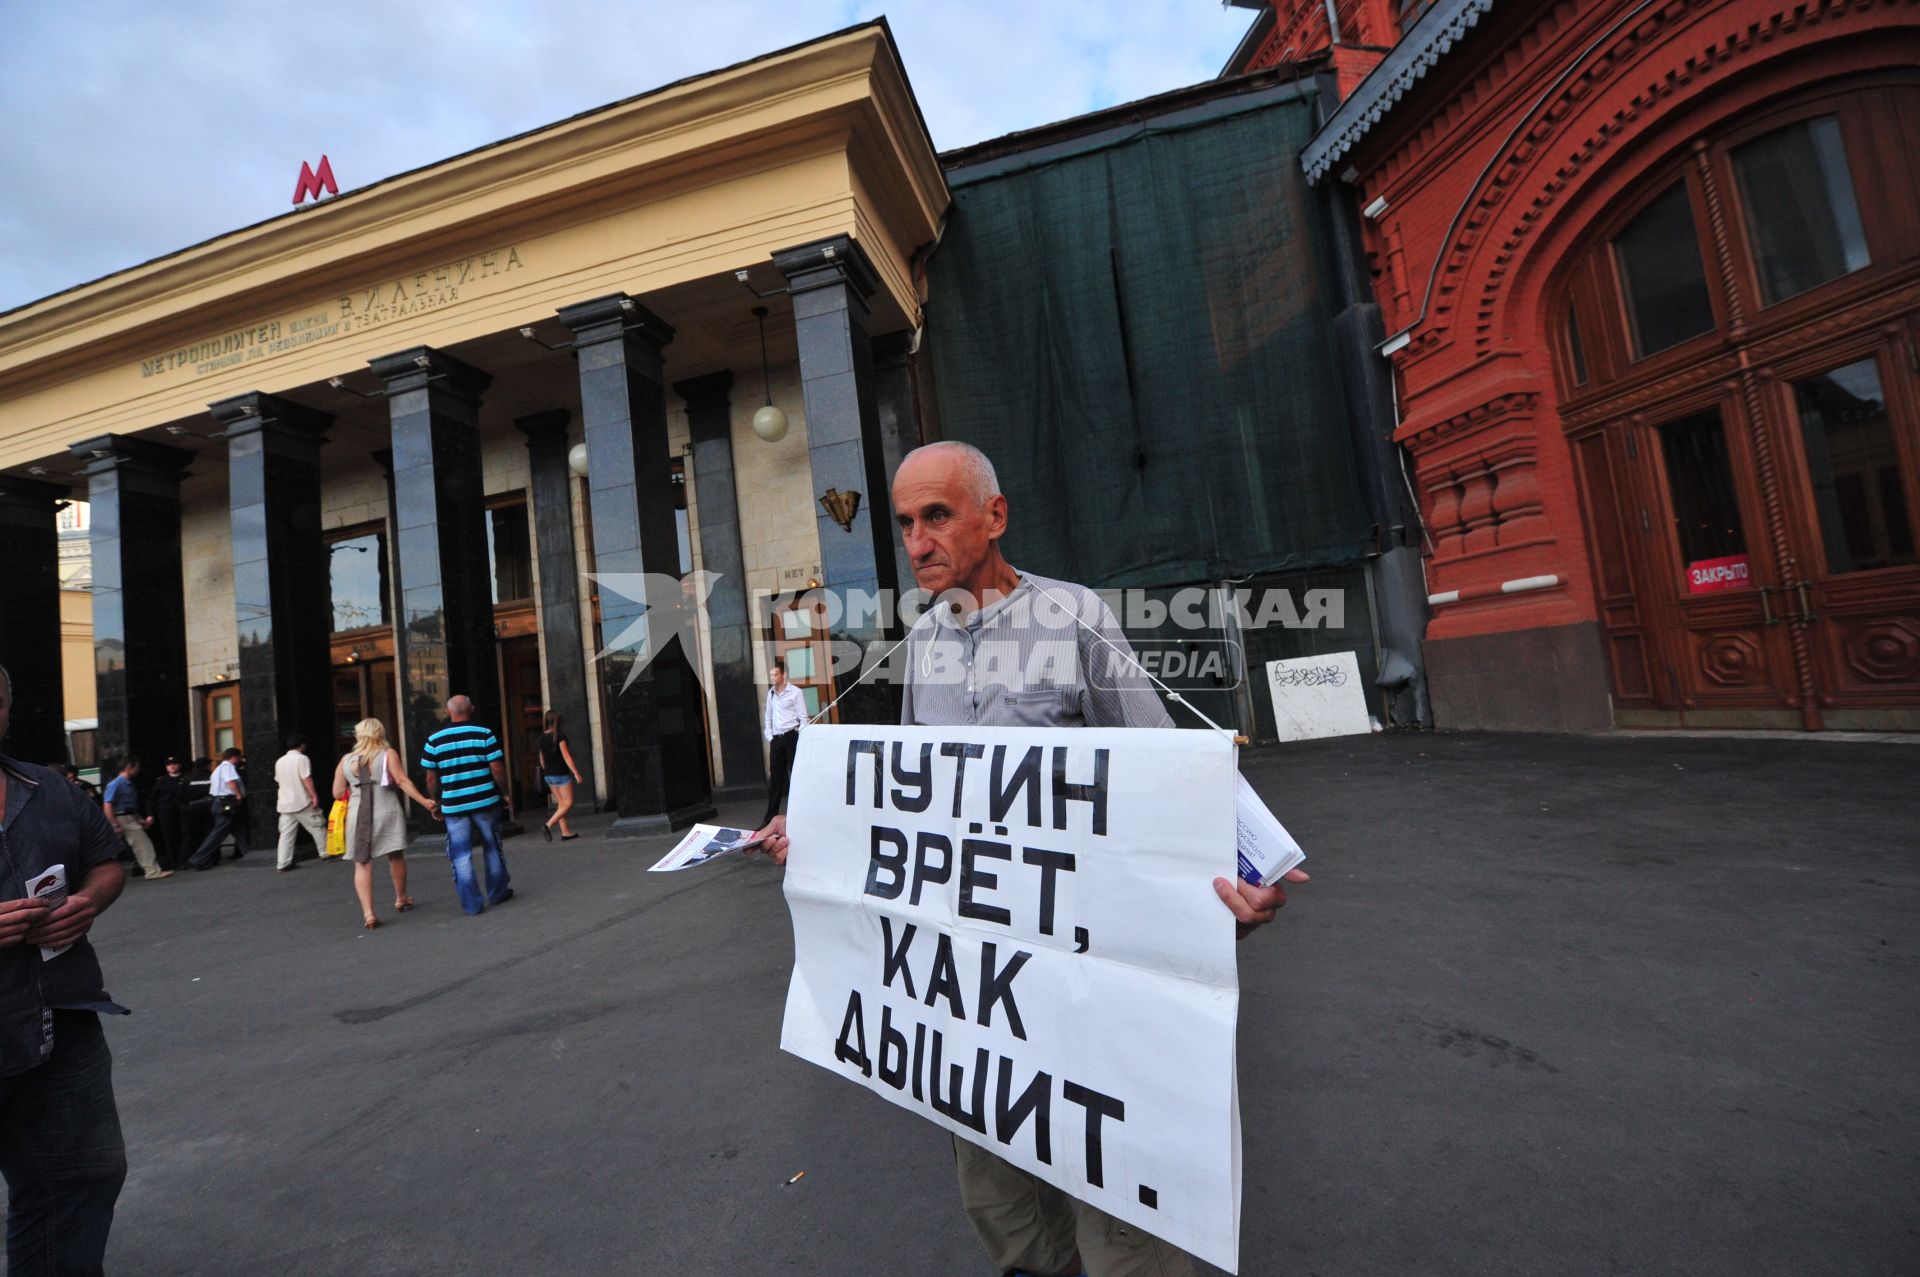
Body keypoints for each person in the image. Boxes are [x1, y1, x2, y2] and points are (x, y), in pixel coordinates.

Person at [752, 441, 1308, 1277]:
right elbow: (910, 803)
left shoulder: (1076, 616)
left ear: (994, 516)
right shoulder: (923, 642)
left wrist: (1249, 874)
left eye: (936, 515)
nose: (916, 541)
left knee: (1123, 1218)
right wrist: (818, 836)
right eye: (905, 522)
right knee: (1007, 1211)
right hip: (974, 993)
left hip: (1093, 986)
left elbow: (1159, 769)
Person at [0, 663, 133, 1274]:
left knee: (82, 1176)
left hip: (61, 1019)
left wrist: (87, 903)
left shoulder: (47, 788)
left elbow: (108, 862)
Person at [330, 719, 434, 930]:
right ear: (379, 733)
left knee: (362, 862)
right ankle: (400, 897)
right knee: (395, 854)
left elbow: (337, 793)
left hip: (358, 814)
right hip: (385, 808)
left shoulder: (345, 760)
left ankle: (369, 914)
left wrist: (356, 790)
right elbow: (402, 781)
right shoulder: (388, 754)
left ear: (359, 735)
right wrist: (425, 801)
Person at [421, 696, 514, 916]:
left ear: (447, 711)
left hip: (453, 806)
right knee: (492, 846)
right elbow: (497, 769)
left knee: (461, 855)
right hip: (485, 801)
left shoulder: (434, 740)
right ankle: (497, 892)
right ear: (471, 709)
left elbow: (431, 778)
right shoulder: (484, 733)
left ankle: (472, 905)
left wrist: (435, 803)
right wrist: (505, 793)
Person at [100, 758, 171, 882]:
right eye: (136, 767)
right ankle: (152, 871)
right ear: (129, 767)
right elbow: (108, 805)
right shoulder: (116, 784)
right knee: (142, 844)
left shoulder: (128, 783)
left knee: (114, 847)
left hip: (128, 816)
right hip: (121, 817)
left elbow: (130, 806)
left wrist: (140, 819)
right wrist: (114, 824)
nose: (138, 770)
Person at [272, 736, 331, 873]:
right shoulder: (302, 759)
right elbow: (306, 778)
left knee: (286, 834)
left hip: (284, 803)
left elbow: (278, 780)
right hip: (301, 801)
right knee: (317, 826)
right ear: (302, 745)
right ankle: (326, 853)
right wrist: (314, 796)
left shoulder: (279, 761)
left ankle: (283, 863)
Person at [760, 658, 806, 828]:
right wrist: (769, 735)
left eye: (775, 674)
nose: (772, 677)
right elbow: (768, 716)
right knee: (775, 779)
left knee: (795, 776)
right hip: (776, 740)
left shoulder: (795, 692)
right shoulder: (771, 693)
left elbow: (803, 718)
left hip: (791, 737)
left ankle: (799, 815)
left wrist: (799, 736)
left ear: (784, 675)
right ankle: (769, 817)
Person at [186, 748, 247, 870]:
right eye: (239, 757)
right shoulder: (228, 767)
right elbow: (231, 782)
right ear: (234, 757)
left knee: (238, 830)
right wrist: (238, 795)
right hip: (226, 802)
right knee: (218, 833)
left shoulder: (218, 769)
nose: (240, 760)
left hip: (219, 802)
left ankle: (247, 852)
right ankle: (197, 859)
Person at [535, 711, 583, 843]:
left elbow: (541, 759)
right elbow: (566, 756)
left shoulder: (541, 738)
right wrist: (576, 773)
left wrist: (546, 771)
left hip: (548, 776)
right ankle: (548, 825)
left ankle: (565, 832)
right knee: (568, 803)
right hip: (561, 774)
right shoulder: (559, 736)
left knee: (561, 804)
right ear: (558, 721)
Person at [150, 757, 192, 871]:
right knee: (170, 837)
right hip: (166, 812)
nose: (172, 766)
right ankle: (174, 861)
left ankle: (183, 860)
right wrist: (151, 814)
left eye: (174, 764)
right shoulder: (161, 781)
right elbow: (153, 798)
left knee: (186, 835)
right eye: (169, 765)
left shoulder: (186, 779)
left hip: (181, 811)